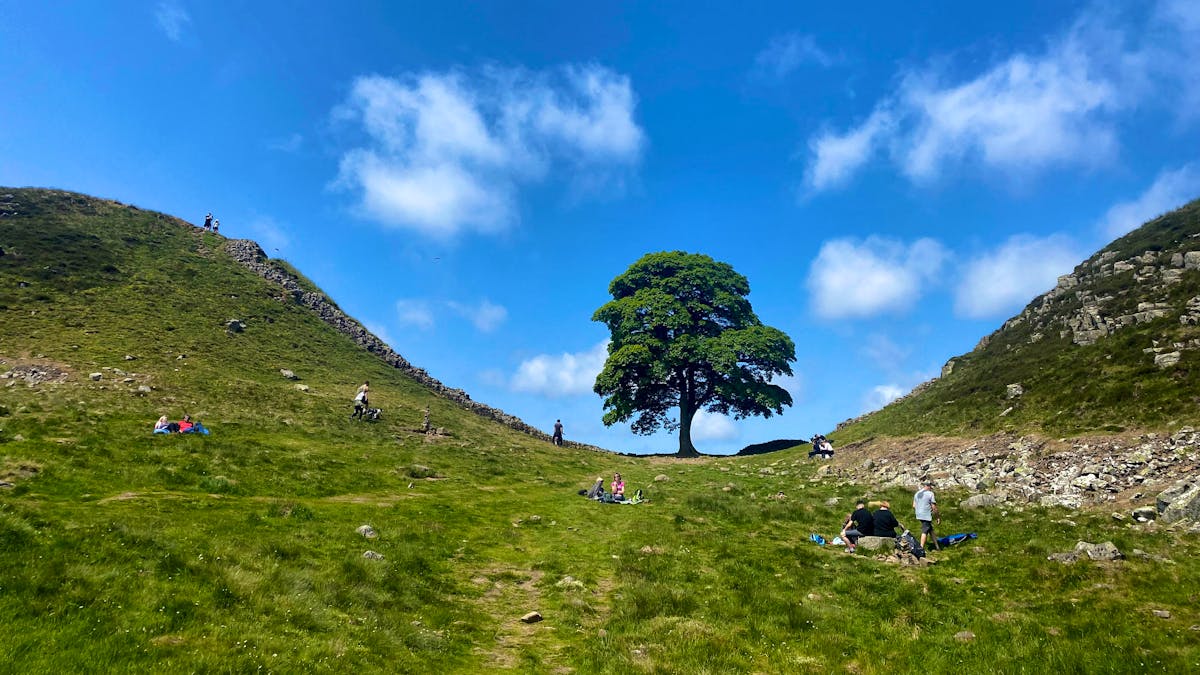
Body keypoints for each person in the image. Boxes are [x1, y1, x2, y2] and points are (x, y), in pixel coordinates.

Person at [913, 479, 941, 552]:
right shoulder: (930, 494)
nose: (932, 488)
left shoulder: (917, 493)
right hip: (926, 515)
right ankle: (921, 549)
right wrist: (937, 517)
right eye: (931, 486)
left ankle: (937, 547)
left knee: (930, 529)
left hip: (918, 514)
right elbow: (933, 507)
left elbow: (914, 505)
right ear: (928, 486)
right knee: (925, 531)